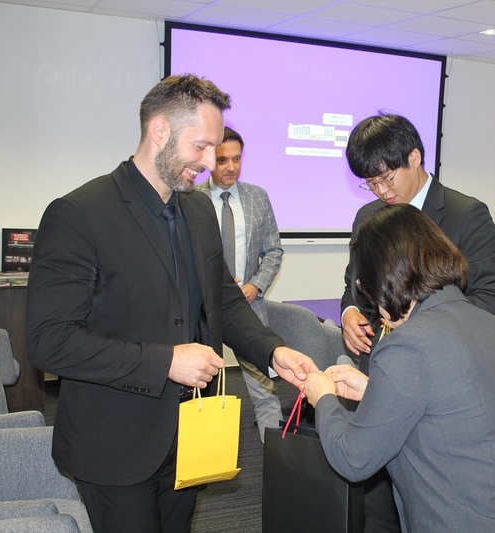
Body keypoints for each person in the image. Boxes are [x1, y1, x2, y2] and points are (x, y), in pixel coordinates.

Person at [25, 74, 317, 533]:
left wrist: (273, 351)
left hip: (189, 437)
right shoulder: (79, 214)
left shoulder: (197, 211)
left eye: (216, 149)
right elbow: (50, 342)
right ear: (159, 131)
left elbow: (223, 301)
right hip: (115, 446)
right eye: (201, 147)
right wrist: (165, 362)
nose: (209, 162)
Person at [304, 204, 495, 533]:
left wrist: (324, 399)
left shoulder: (407, 344)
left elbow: (354, 459)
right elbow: (452, 409)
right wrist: (376, 390)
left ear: (382, 279)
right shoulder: (494, 325)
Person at [339, 112, 495, 531]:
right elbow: (355, 286)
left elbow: (491, 301)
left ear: (415, 157)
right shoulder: (369, 217)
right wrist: (348, 314)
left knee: (428, 494)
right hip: (383, 370)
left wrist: (420, 327)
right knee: (379, 499)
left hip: (445, 381)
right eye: (370, 183)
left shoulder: (466, 214)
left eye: (386, 178)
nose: (381, 191)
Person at [195, 126, 284, 442]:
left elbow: (273, 250)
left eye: (236, 159)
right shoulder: (191, 200)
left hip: (248, 306)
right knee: (202, 385)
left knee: (263, 383)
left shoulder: (258, 197)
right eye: (222, 160)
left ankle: (276, 451)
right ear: (208, 160)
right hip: (202, 310)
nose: (230, 167)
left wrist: (255, 286)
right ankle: (203, 449)